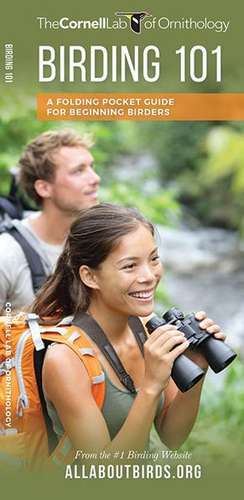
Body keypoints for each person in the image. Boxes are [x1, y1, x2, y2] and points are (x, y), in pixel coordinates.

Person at [32, 203, 225, 455]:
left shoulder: (147, 327)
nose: (149, 275)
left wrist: (198, 364)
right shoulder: (65, 360)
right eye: (129, 266)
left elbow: (172, 436)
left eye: (153, 259)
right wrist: (151, 385)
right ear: (90, 276)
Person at [0, 129, 100, 311]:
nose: (95, 178)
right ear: (44, 188)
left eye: (91, 167)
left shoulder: (99, 242)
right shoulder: (6, 255)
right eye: (78, 171)